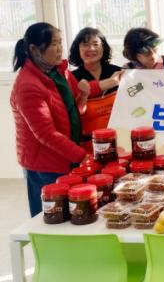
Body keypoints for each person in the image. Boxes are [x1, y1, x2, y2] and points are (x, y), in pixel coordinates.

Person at [10, 23, 112, 216]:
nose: (59, 49)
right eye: (54, 44)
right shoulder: (28, 86)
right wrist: (82, 156)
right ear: (34, 49)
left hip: (67, 154)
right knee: (50, 217)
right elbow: (45, 134)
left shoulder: (58, 71)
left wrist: (108, 84)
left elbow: (78, 93)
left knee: (72, 213)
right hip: (45, 164)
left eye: (60, 43)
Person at [68, 27, 122, 92]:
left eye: (96, 44)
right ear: (77, 49)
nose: (91, 49)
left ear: (103, 47)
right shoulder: (71, 78)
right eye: (85, 45)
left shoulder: (119, 72)